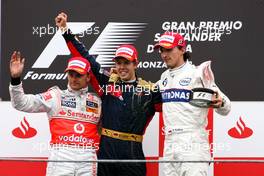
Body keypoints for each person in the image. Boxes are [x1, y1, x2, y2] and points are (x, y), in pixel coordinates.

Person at [55, 12, 162, 176]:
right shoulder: (106, 81)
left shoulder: (150, 90)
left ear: (136, 64)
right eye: (118, 63)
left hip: (133, 153)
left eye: (126, 63)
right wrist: (65, 30)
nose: (122, 67)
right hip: (106, 150)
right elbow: (84, 56)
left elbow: (173, 106)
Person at [9, 51, 102, 176]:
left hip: (87, 156)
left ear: (88, 77)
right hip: (61, 155)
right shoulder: (55, 96)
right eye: (71, 74)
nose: (74, 79)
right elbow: (21, 103)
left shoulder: (97, 101)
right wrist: (15, 79)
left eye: (78, 75)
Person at [154, 31, 231, 176]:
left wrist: (220, 103)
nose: (164, 54)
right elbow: (145, 91)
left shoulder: (197, 74)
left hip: (192, 141)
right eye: (161, 50)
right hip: (170, 142)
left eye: (169, 49)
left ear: (182, 49)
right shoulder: (164, 77)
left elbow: (226, 107)